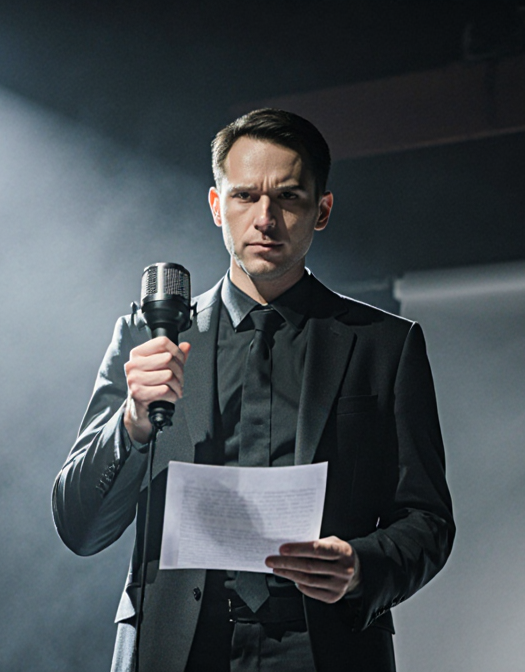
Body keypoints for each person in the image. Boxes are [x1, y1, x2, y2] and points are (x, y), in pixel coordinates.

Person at [53, 108, 454, 672]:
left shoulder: (384, 345)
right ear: (217, 205)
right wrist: (131, 425)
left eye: (288, 197)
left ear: (322, 210)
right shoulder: (148, 337)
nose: (266, 219)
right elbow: (79, 527)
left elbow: (427, 520)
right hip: (177, 649)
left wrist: (360, 566)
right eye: (245, 196)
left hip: (323, 647)